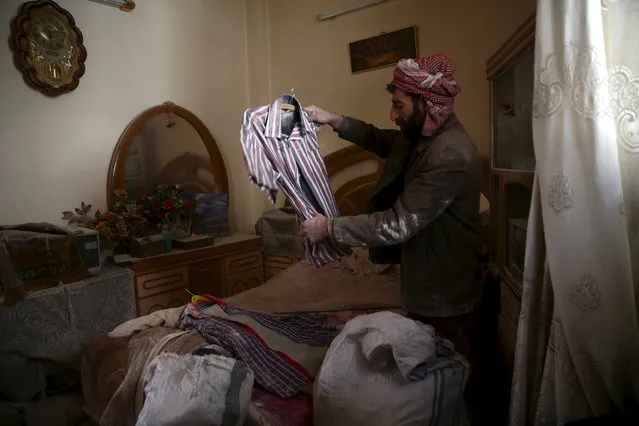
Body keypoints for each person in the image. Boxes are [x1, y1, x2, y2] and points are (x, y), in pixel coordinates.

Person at [300, 55, 482, 362]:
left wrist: (328, 228)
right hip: (425, 282)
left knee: (447, 374)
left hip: (444, 294)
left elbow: (396, 224)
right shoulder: (424, 136)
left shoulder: (449, 154)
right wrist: (333, 119)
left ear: (426, 102)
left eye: (399, 105)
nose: (392, 114)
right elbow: (380, 139)